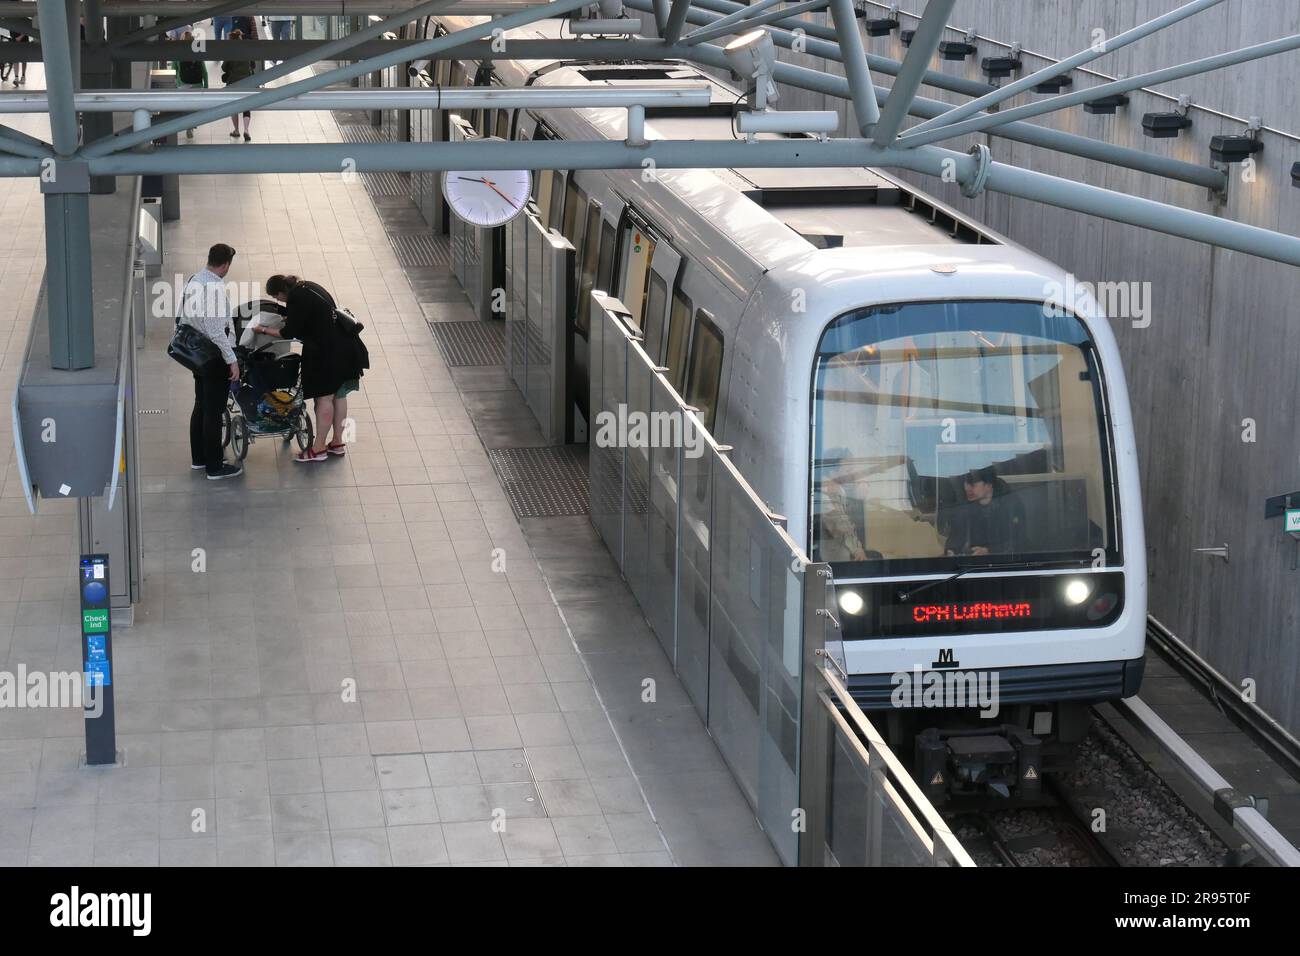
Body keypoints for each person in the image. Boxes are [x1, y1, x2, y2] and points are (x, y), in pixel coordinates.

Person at [250, 275, 369, 462]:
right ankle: (337, 443)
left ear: (281, 292)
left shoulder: (296, 298)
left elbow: (287, 332)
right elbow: (317, 314)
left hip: (327, 352)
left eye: (276, 297)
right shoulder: (309, 286)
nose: (278, 300)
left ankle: (318, 449)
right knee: (339, 395)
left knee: (324, 397)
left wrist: (262, 330)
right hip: (346, 345)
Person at [181, 243, 243, 480]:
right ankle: (215, 466)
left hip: (196, 354)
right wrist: (232, 360)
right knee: (213, 411)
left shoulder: (194, 279)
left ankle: (199, 458)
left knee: (201, 405)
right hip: (214, 356)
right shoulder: (215, 288)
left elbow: (183, 315)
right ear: (226, 264)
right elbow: (217, 331)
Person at [944, 465, 1025, 557]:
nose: (967, 488)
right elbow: (955, 538)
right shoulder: (963, 509)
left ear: (988, 486)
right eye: (965, 483)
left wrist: (990, 551)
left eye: (972, 484)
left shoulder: (1010, 505)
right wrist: (951, 551)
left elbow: (1017, 541)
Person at [221, 31, 256, 141]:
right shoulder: (247, 50)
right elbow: (253, 65)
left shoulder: (230, 52)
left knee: (234, 106)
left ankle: (236, 130)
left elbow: (224, 68)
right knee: (246, 107)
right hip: (247, 82)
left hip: (234, 82)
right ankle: (246, 130)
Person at [171, 34, 207, 139]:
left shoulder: (178, 52)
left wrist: (175, 83)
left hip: (183, 84)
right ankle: (190, 127)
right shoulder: (198, 52)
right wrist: (206, 86)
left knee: (185, 107)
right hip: (197, 84)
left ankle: (187, 125)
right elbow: (204, 71)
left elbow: (174, 69)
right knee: (194, 107)